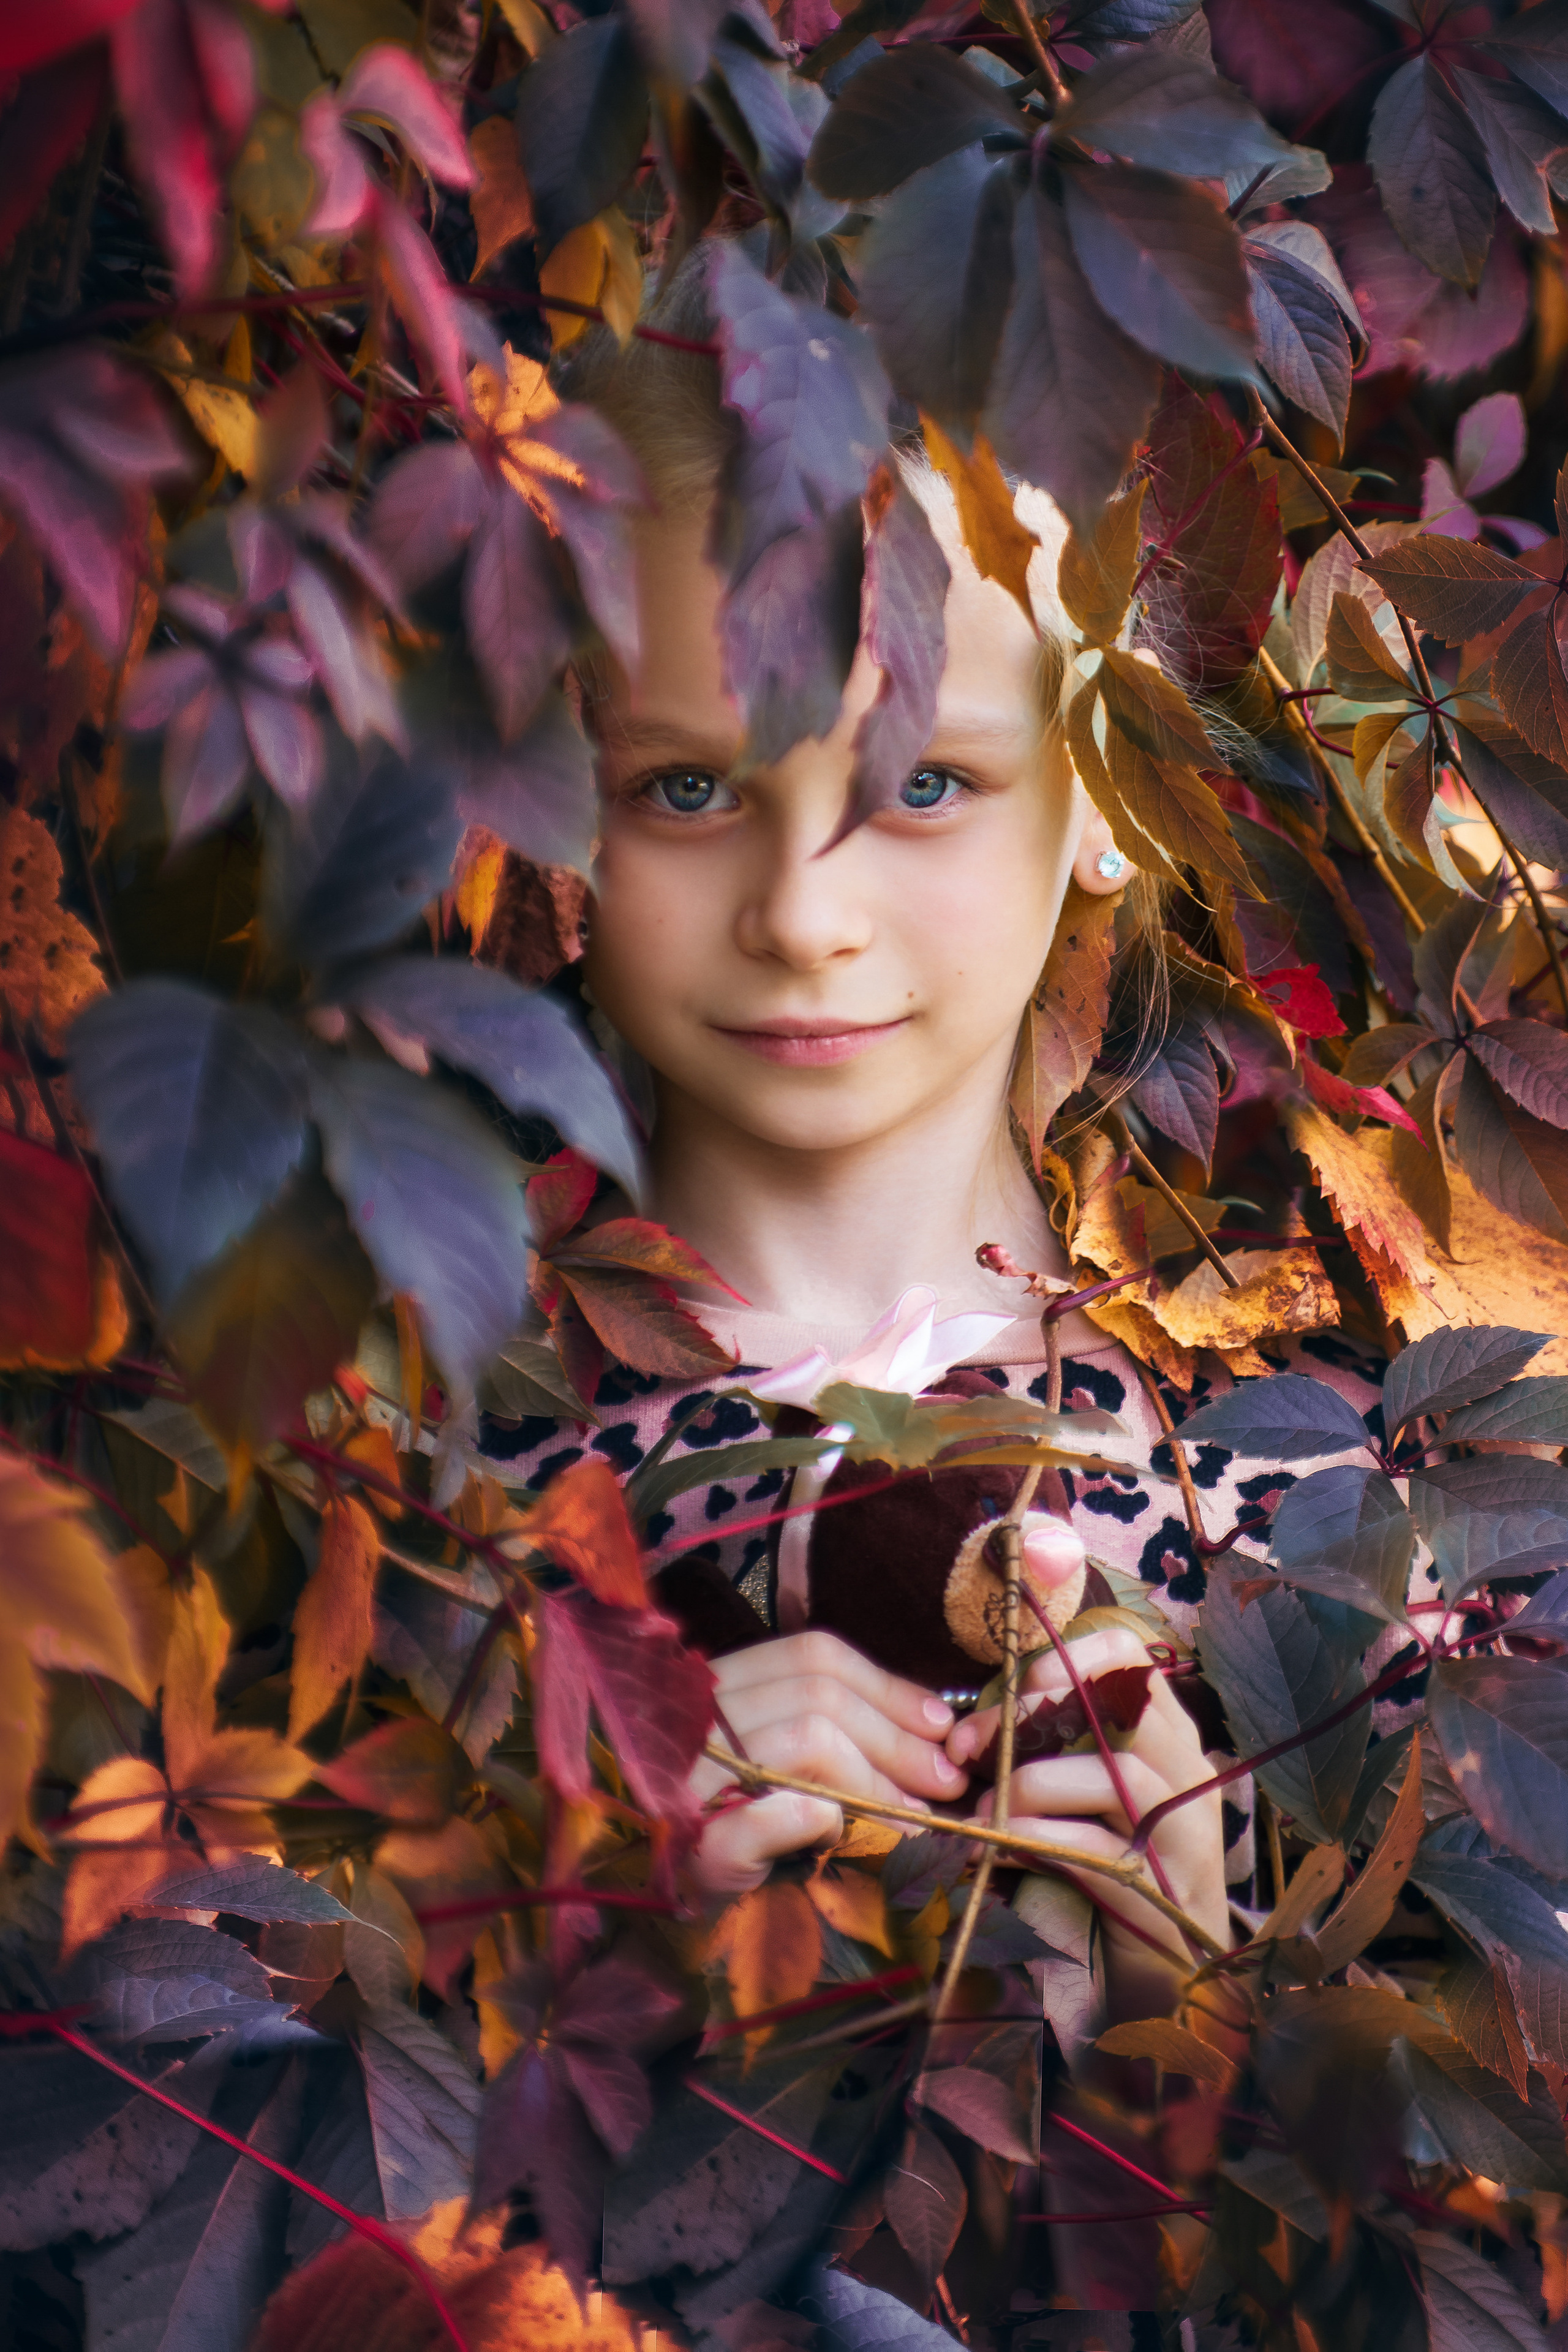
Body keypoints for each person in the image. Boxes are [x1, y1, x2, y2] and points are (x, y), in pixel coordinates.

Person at [484, 284, 1389, 2010]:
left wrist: (1212, 1994)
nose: (804, 913)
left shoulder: (1327, 1507)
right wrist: (570, 1924)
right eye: (686, 788)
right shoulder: (411, 1494)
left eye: (921, 786)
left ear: (1114, 800)